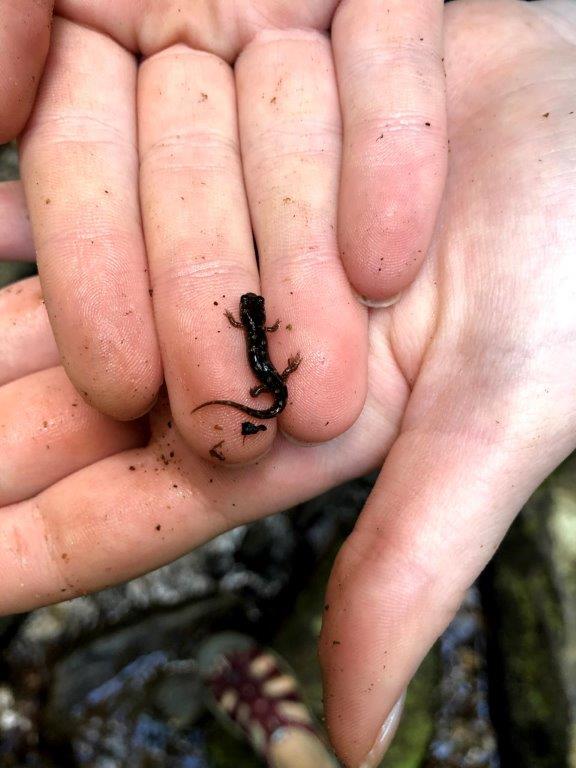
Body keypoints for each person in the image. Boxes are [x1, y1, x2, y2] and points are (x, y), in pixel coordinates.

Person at [1, 0, 575, 766]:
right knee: (237, 385)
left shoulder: (259, 341)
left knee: (254, 391)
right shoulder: (259, 339)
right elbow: (258, 343)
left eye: (251, 316)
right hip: (268, 383)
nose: (250, 318)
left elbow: (258, 345)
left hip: (270, 385)